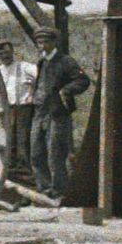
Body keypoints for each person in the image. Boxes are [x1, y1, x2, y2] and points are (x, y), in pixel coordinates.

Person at [28, 25, 91, 205]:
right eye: (39, 42)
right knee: (36, 153)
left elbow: (83, 80)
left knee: (55, 154)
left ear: (54, 42)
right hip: (39, 113)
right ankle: (44, 191)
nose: (42, 45)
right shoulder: (41, 62)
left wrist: (67, 90)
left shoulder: (65, 61)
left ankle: (59, 192)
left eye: (45, 42)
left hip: (57, 114)